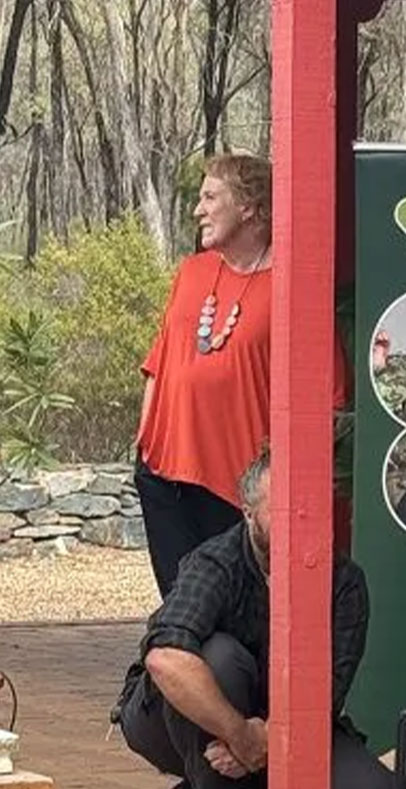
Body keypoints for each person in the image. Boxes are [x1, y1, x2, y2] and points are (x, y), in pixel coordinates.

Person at [111, 446, 392, 789]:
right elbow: (165, 659)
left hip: (275, 725)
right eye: (280, 510)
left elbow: (326, 691)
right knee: (220, 657)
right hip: (167, 721)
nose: (298, 521)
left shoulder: (344, 582)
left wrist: (265, 742)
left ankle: (211, 786)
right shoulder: (215, 562)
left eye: (308, 507)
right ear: (247, 514)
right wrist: (241, 736)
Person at [135, 154, 346, 598]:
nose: (199, 209)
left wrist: (274, 487)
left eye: (210, 197)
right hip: (164, 475)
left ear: (249, 205)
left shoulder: (294, 287)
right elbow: (158, 362)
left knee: (231, 613)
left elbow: (327, 399)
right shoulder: (192, 272)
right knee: (180, 607)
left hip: (236, 486)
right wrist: (144, 445)